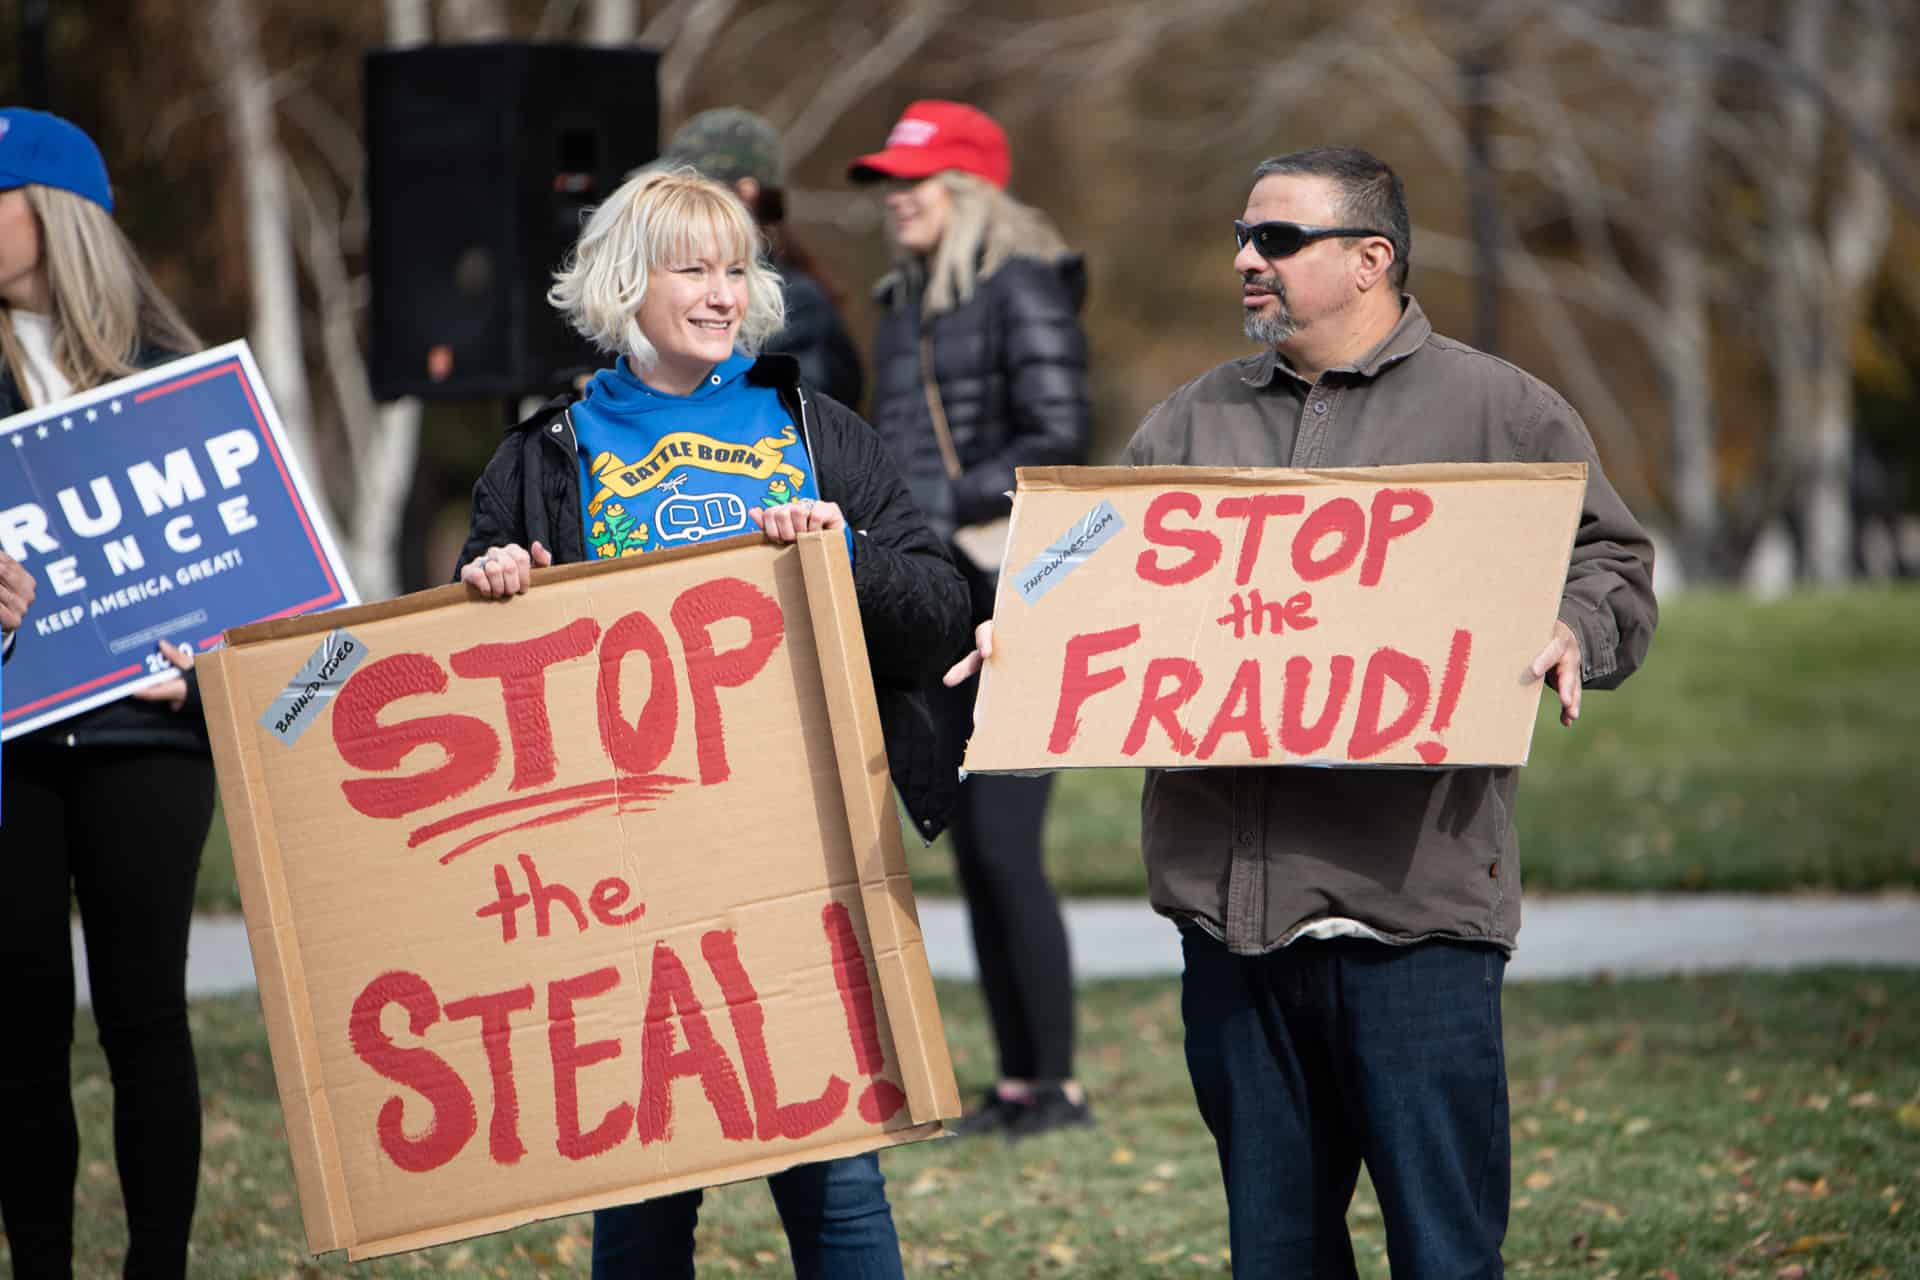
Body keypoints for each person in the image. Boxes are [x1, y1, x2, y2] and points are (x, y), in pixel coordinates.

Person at [947, 146, 1658, 1277]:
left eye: (1277, 240)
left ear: (1371, 259)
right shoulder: (1188, 422)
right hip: (1231, 923)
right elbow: (1094, 578)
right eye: (1242, 237)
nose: (1246, 261)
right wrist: (1030, 632)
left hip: (1417, 915)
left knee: (1445, 1252)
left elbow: (1615, 561)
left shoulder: (1499, 409)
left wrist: (1578, 626)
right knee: (1275, 1254)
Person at [454, 165, 969, 1280]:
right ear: (625, 282)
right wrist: (490, 581)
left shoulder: (813, 426)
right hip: (628, 868)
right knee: (642, 1181)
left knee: (836, 1170)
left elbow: (937, 612)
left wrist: (853, 555)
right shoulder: (544, 455)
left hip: (803, 848)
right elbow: (481, 683)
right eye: (692, 266)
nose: (723, 291)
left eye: (736, 267)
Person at [845, 100, 1095, 1141]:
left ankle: (1057, 1086)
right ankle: (1017, 1084)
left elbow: (1060, 438)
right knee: (974, 846)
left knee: (1004, 843)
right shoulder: (907, 301)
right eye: (892, 182)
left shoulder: (1019, 288)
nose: (898, 198)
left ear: (975, 189)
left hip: (1016, 589)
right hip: (945, 599)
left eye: (920, 179)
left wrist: (938, 506)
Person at [0, 107, 212, 1279]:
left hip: (150, 735)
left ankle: (156, 1268)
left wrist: (214, 664)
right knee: (19, 1031)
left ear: (59, 215)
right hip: (10, 746)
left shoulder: (181, 377)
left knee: (147, 1020)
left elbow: (261, 583)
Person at [661, 106, 866, 409]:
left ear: (745, 193)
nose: (680, 208)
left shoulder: (798, 304)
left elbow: (795, 421)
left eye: (696, 192)